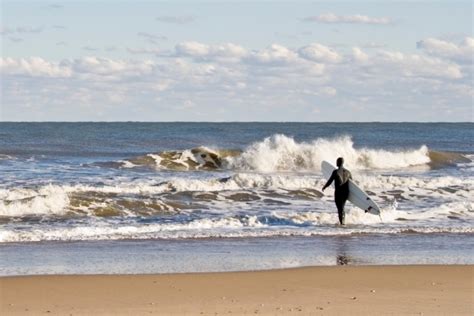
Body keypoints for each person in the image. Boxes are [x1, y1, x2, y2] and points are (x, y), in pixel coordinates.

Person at [322, 157, 352, 225]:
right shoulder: (348, 172)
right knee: (342, 208)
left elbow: (330, 181)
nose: (336, 163)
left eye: (337, 161)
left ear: (339, 162)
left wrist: (324, 187)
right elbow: (352, 184)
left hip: (339, 192)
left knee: (340, 209)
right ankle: (343, 222)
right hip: (346, 193)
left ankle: (342, 224)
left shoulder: (336, 172)